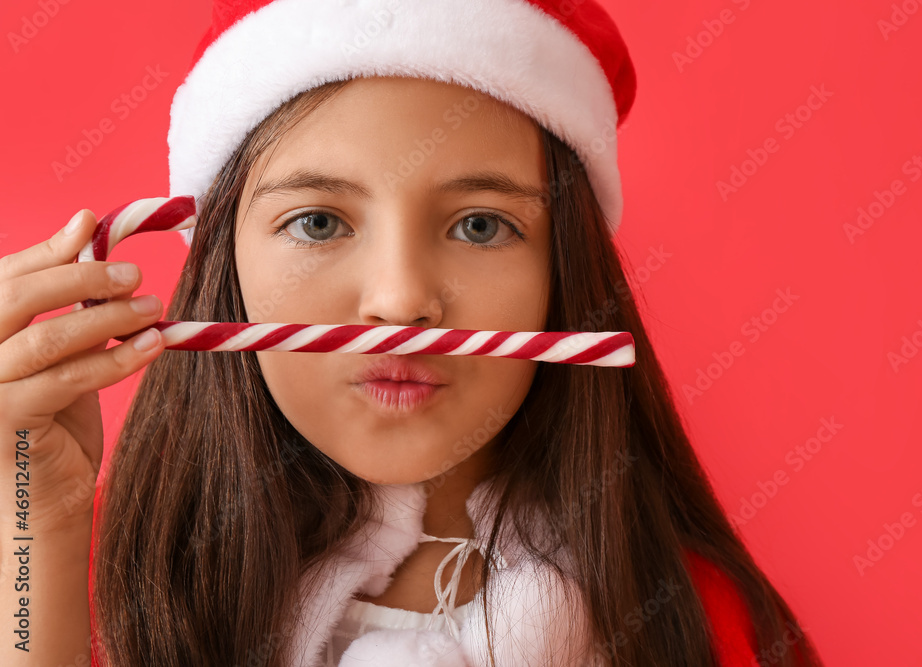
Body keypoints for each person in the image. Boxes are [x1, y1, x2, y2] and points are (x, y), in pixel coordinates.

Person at [0, 1, 827, 665]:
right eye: (318, 220)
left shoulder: (687, 624)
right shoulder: (97, 578)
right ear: (224, 266)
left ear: (563, 274)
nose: (400, 302)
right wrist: (43, 528)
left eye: (479, 225)